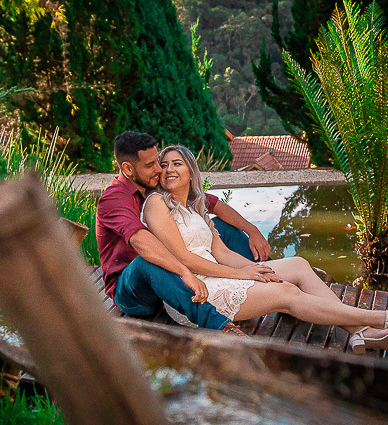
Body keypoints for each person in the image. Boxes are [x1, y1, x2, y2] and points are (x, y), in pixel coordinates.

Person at [141, 145, 388, 353]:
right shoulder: (156, 203)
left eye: (176, 164)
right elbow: (183, 259)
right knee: (287, 293)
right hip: (193, 293)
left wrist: (251, 268)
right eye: (164, 165)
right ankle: (380, 319)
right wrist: (241, 275)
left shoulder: (196, 208)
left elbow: (223, 253)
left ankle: (359, 332)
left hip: (219, 274)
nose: (168, 170)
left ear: (191, 172)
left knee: (299, 264)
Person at [97, 131, 267, 336]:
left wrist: (253, 230)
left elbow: (211, 203)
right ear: (127, 168)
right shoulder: (114, 199)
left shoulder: (153, 185)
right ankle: (220, 326)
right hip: (133, 292)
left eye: (157, 161)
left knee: (219, 228)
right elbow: (141, 241)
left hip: (167, 285)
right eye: (150, 165)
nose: (159, 169)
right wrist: (185, 272)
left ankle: (268, 272)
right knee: (148, 260)